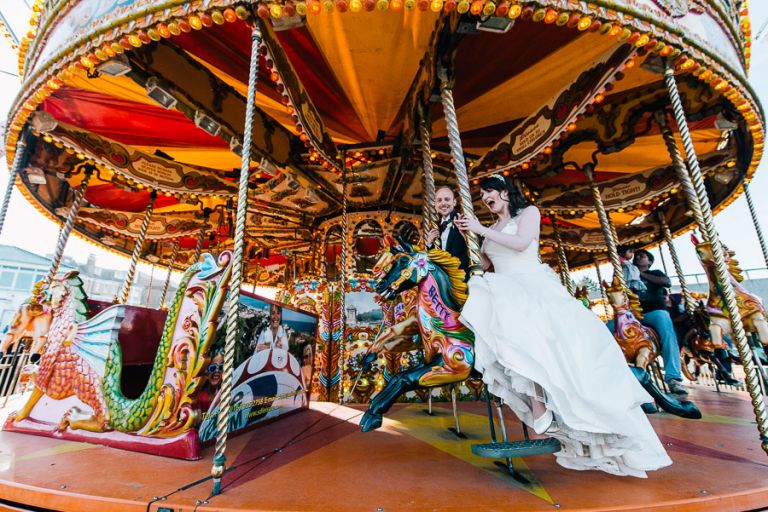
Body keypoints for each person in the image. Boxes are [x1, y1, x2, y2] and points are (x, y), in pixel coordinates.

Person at [454, 173, 671, 477]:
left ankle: (580, 415)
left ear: (504, 191)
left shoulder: (528, 213)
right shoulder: (490, 230)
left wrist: (477, 229)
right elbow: (490, 262)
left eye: (490, 192)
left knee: (550, 353)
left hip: (531, 288)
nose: (486, 198)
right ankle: (539, 405)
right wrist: (469, 247)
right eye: (483, 195)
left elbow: (520, 244)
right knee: (514, 348)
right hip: (505, 291)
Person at [632, 250, 687, 396]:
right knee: (609, 329)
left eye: (642, 256)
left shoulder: (656, 273)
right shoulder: (627, 274)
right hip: (632, 314)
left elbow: (666, 282)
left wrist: (641, 274)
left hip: (654, 312)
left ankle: (673, 378)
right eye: (636, 256)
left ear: (649, 262)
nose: (637, 257)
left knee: (668, 335)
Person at [424, 186, 470, 278]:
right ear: (435, 204)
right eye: (439, 200)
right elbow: (436, 255)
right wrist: (429, 244)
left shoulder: (463, 220)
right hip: (443, 277)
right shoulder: (436, 227)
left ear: (454, 202)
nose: (443, 203)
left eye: (447, 199)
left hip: (462, 276)